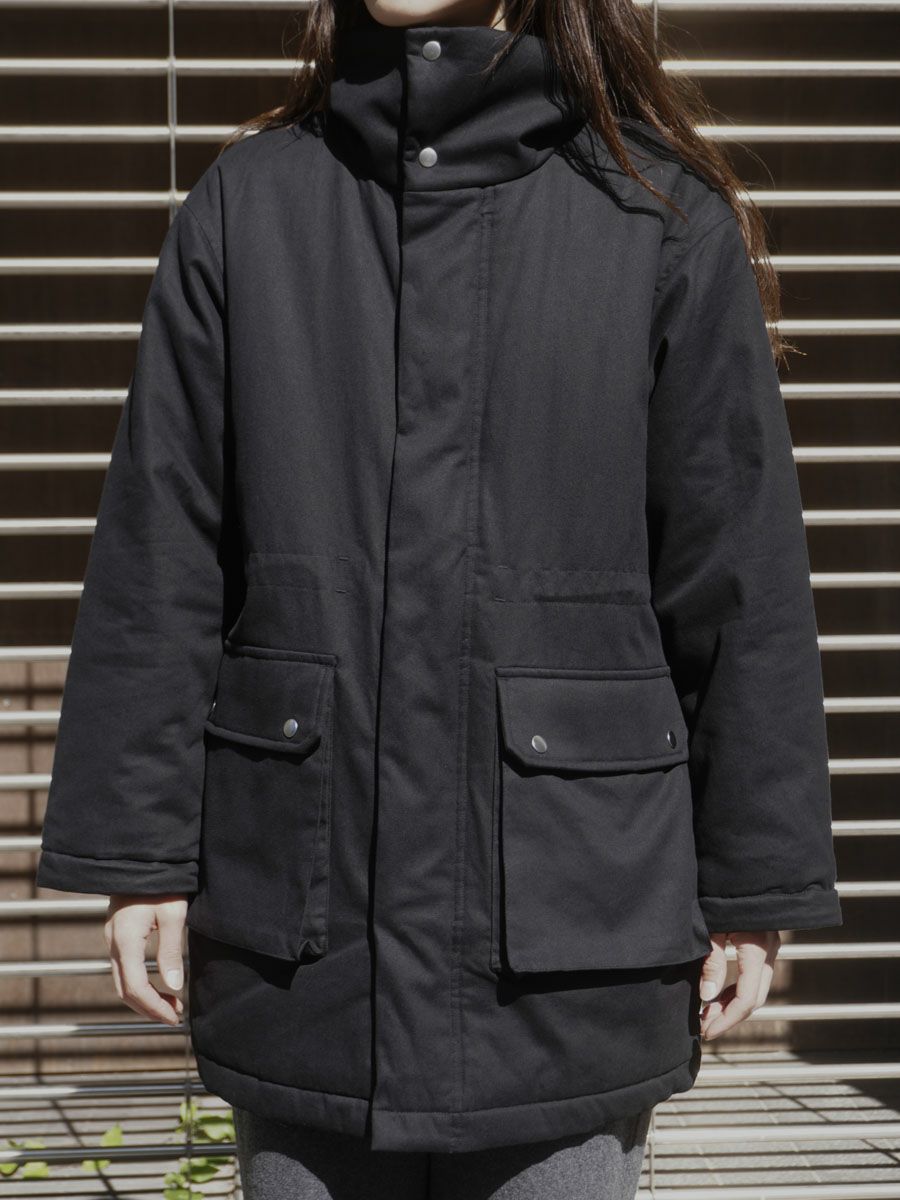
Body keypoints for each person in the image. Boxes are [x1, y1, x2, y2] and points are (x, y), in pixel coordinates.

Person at [35, 0, 843, 1195]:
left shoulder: (660, 220)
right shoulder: (251, 206)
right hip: (309, 935)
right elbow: (163, 550)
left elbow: (736, 576)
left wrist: (752, 883)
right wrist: (141, 854)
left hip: (567, 934)